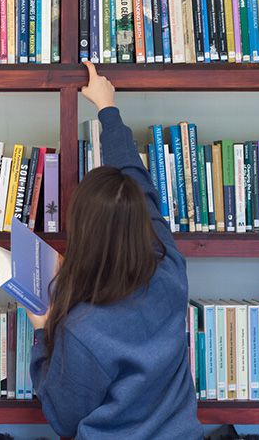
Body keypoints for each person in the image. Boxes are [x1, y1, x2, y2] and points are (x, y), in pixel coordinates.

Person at [27, 62, 203, 440]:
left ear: (83, 236)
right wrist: (108, 111)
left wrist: (43, 330)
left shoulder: (82, 328)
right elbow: (136, 180)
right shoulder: (170, 267)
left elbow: (63, 416)